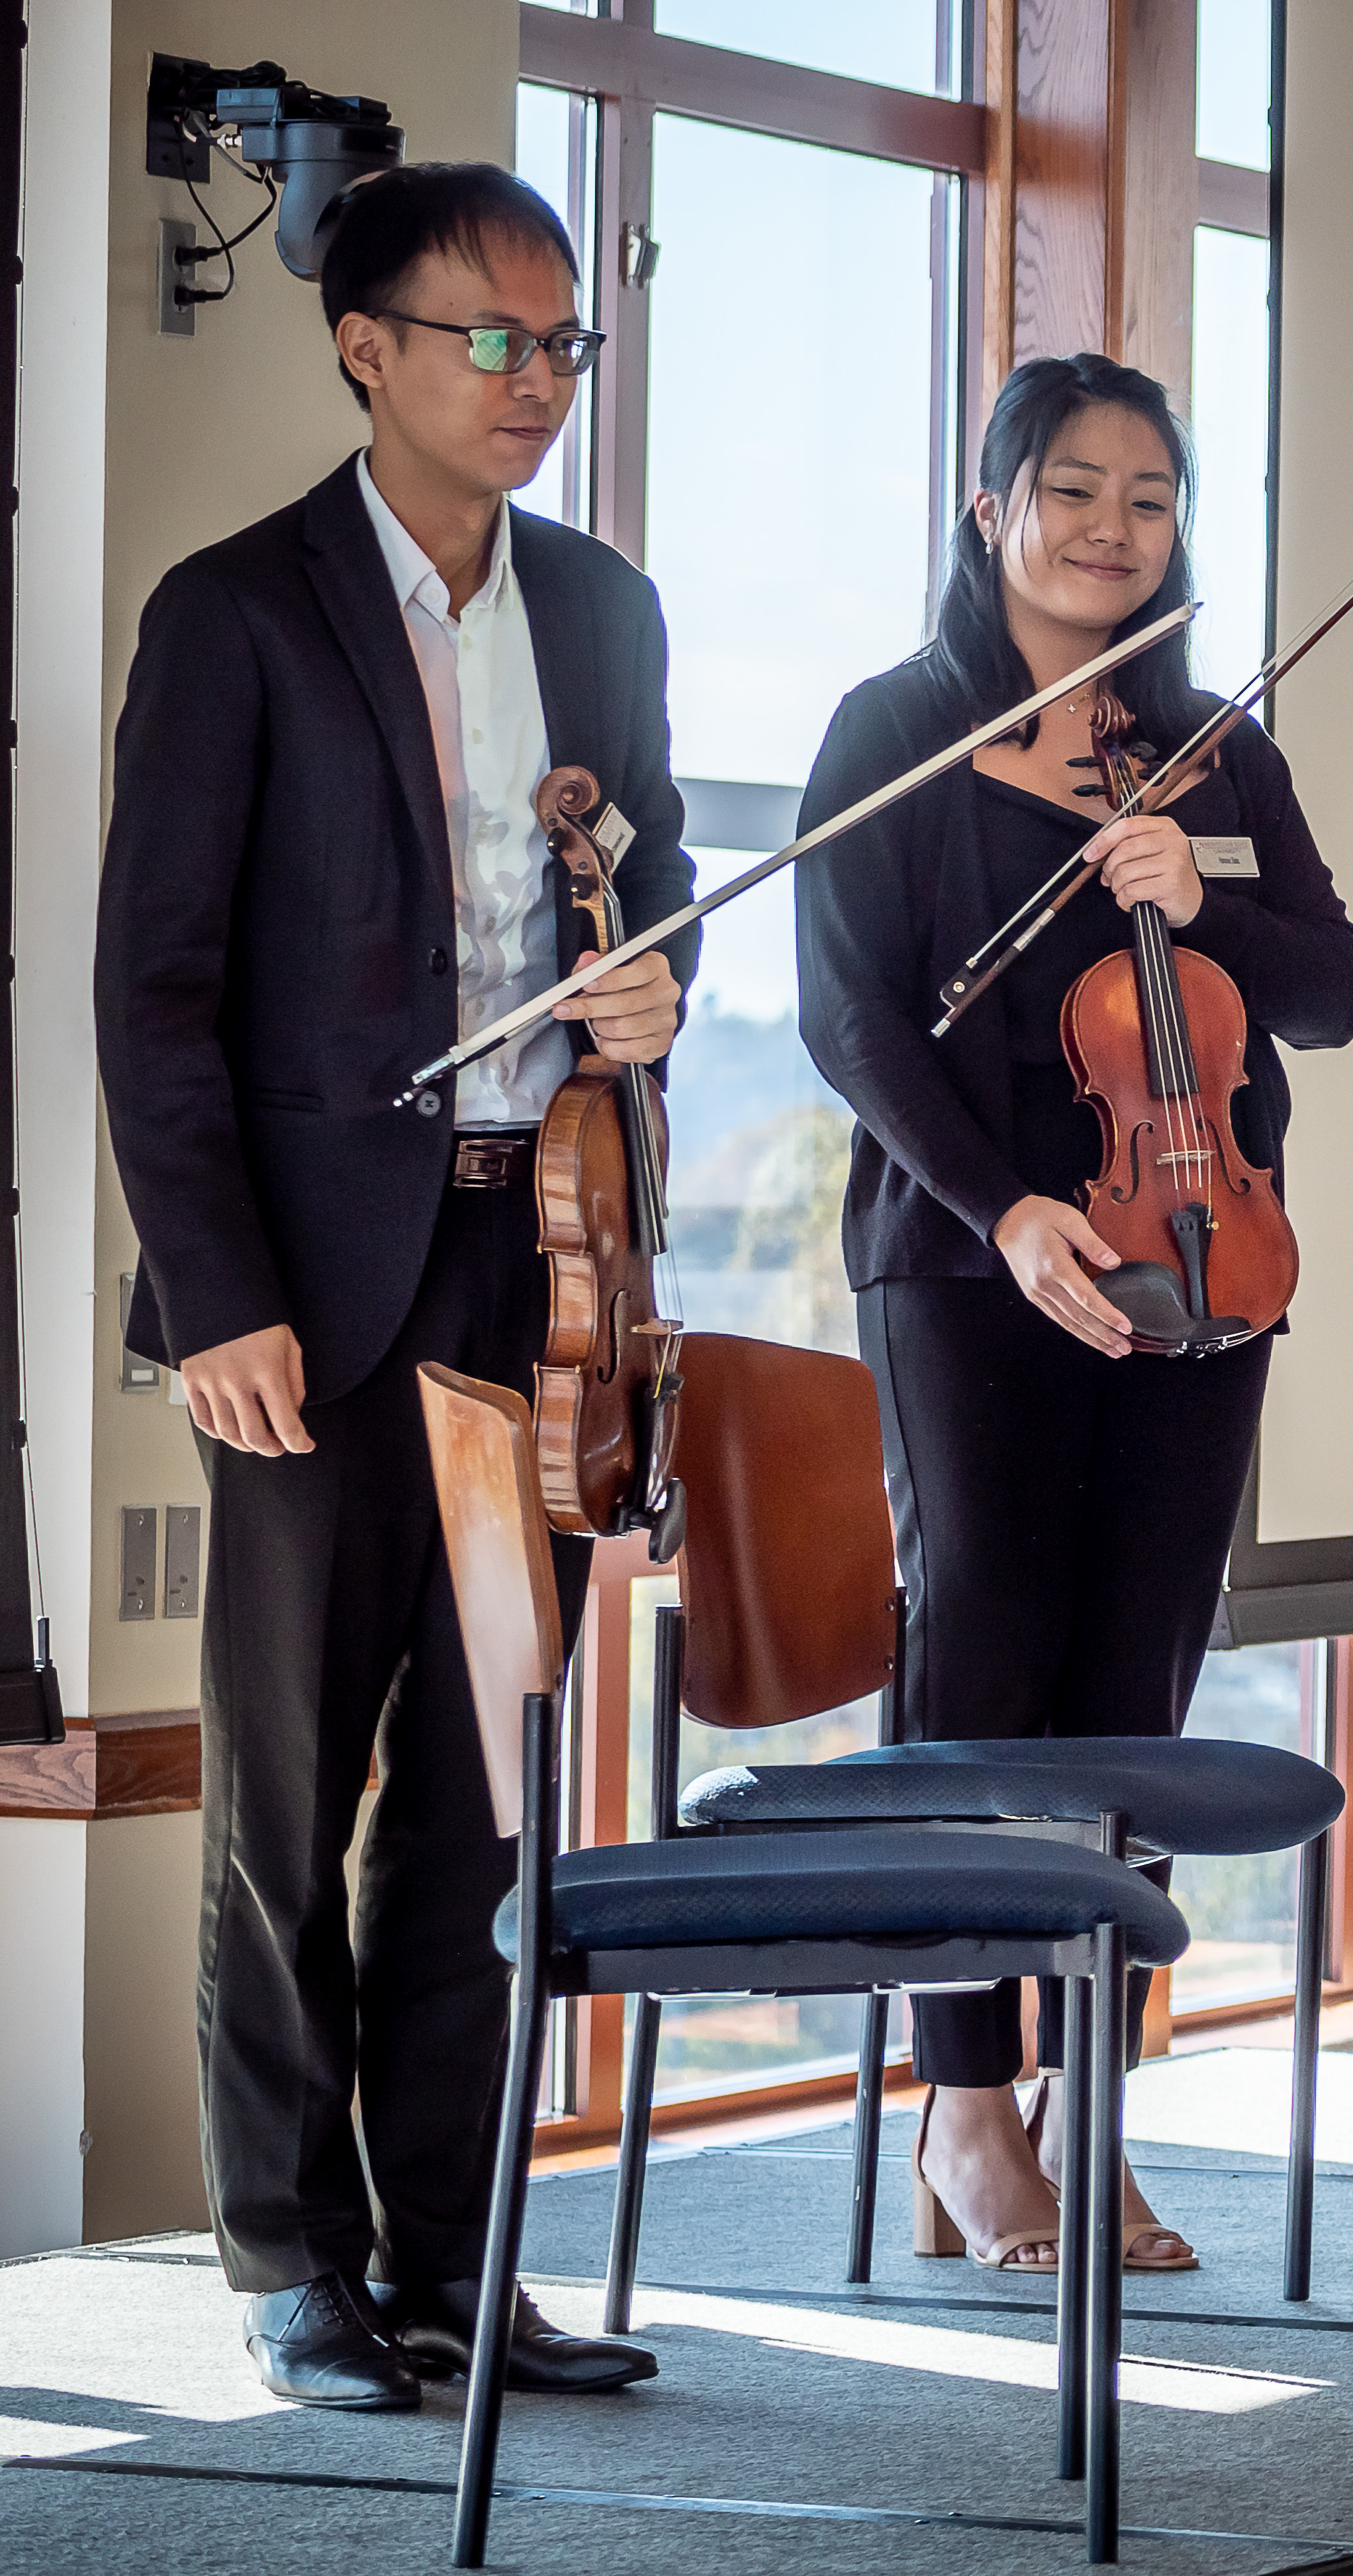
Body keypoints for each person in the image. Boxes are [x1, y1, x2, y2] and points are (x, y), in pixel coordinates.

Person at [95, 164, 691, 2407]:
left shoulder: (609, 613)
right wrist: (215, 1288)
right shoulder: (234, 609)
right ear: (363, 342)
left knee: (481, 1781)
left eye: (563, 345)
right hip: (306, 1284)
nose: (536, 379)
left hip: (533, 1248)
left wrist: (653, 986)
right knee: (286, 1788)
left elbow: (651, 885)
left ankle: (457, 2255)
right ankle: (287, 2255)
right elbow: (155, 996)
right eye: (491, 337)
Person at [796, 353, 1353, 2274]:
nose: (1114, 528)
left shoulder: (1213, 755)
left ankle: (1089, 2108)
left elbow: (1335, 988)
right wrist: (1008, 1201)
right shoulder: (897, 732)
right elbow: (851, 1018)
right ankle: (964, 2104)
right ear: (992, 508)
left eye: (1149, 496)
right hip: (974, 1265)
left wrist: (1193, 901)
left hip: (1205, 1256)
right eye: (1074, 488)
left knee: (1137, 1686)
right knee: (983, 1676)